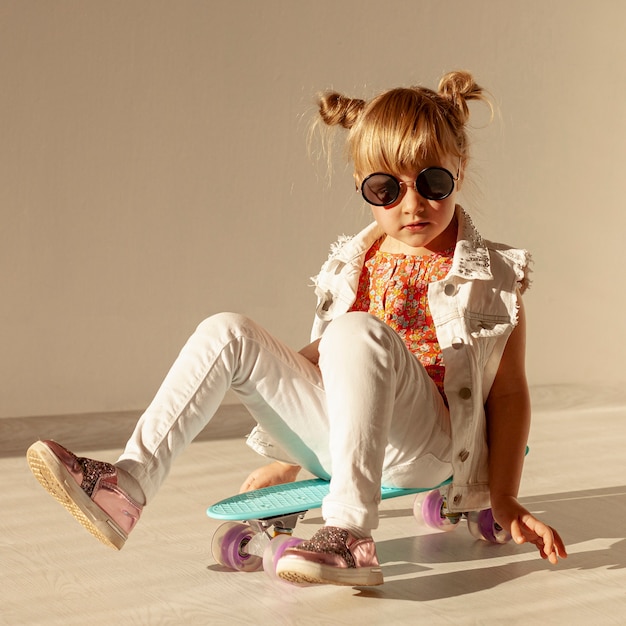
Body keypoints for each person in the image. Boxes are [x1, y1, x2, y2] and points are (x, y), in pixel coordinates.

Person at [27, 70, 567, 587]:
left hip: (428, 446)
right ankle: (127, 486)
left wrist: (504, 497)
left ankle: (351, 536)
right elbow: (330, 361)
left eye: (433, 181)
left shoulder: (492, 274)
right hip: (352, 436)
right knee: (228, 330)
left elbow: (511, 391)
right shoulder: (355, 261)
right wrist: (291, 460)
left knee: (355, 331)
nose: (412, 203)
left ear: (460, 171)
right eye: (386, 188)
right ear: (362, 186)